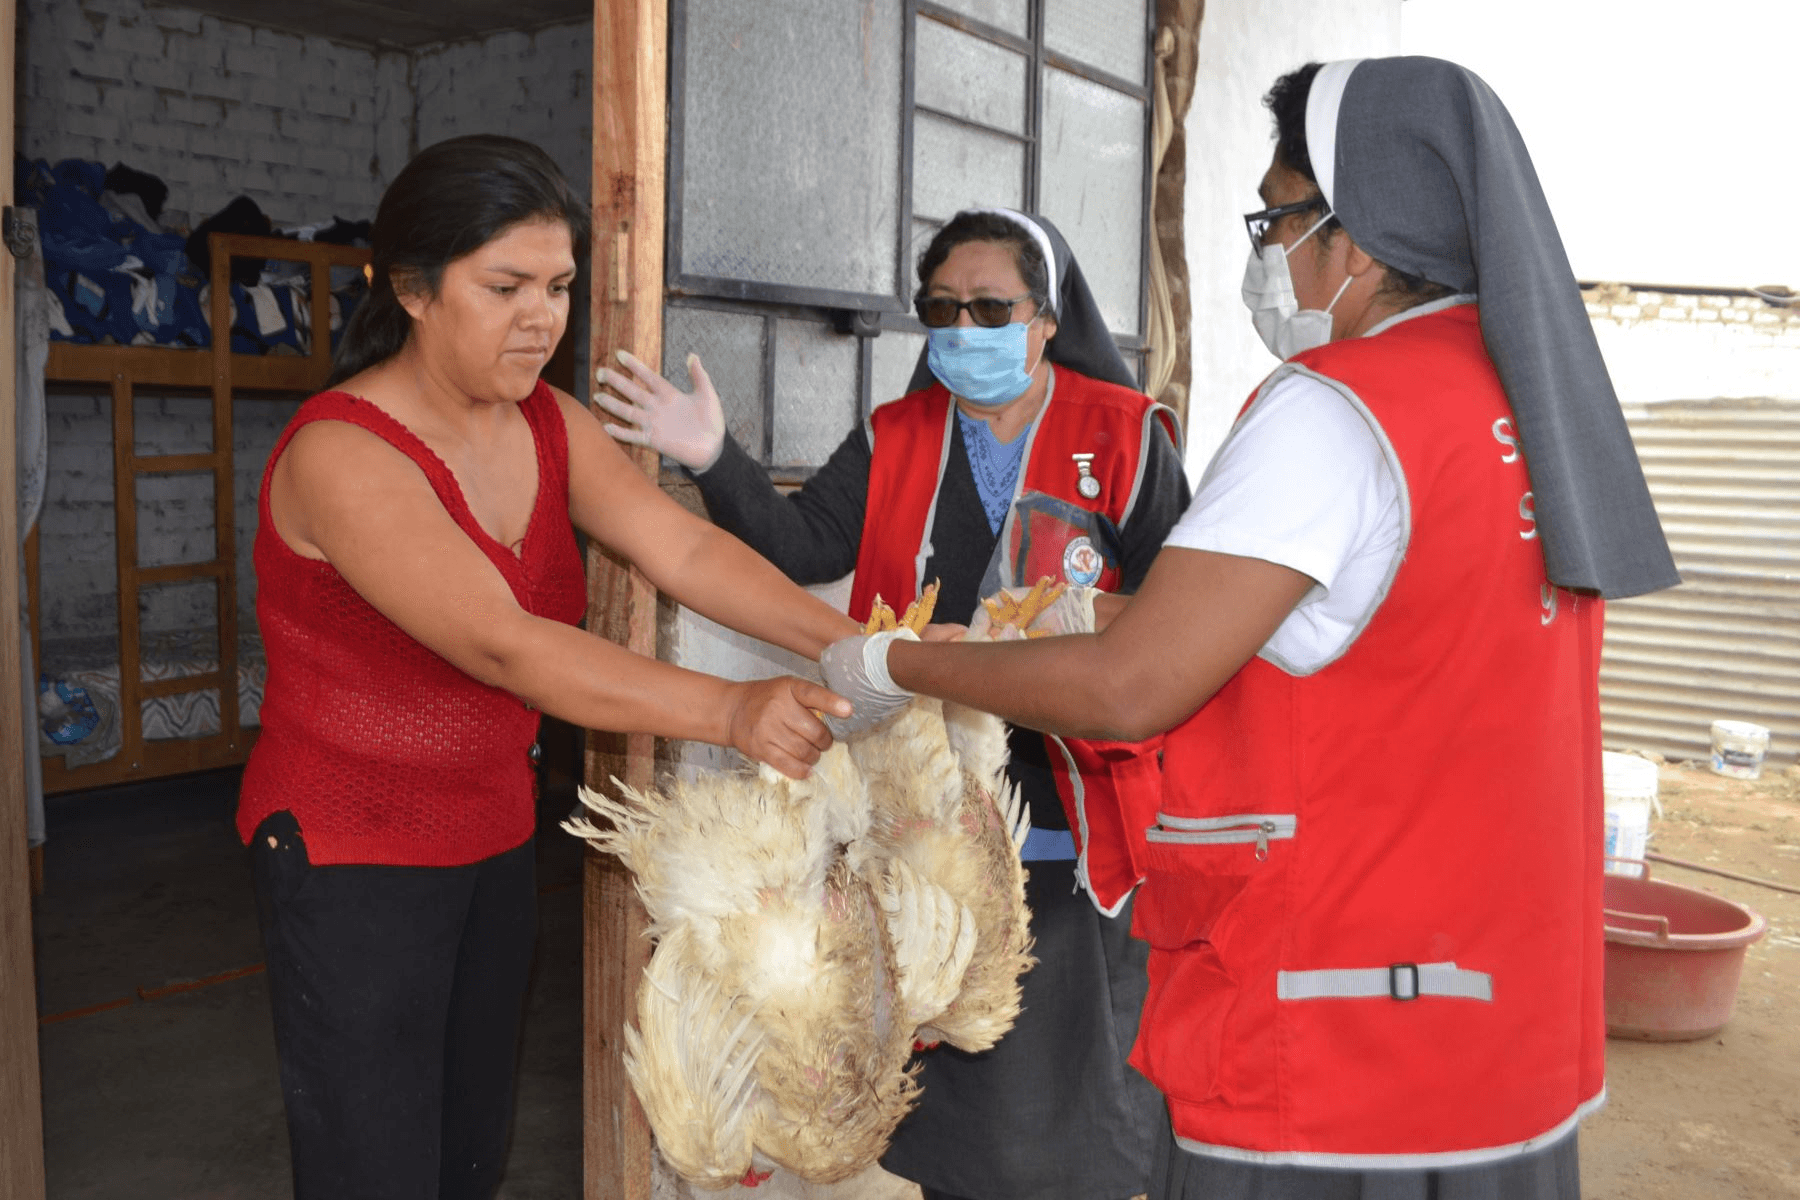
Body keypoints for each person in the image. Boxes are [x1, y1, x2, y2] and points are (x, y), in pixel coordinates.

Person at [819, 59, 1680, 1200]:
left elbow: (1132, 688)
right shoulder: (1514, 396)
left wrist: (898, 660)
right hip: (1493, 1025)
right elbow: (1350, 629)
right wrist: (1088, 614)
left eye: (1275, 218)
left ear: (1353, 239)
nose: (1265, 251)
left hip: (1333, 1031)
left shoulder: (1336, 408)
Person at [236, 134, 862, 1200]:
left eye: (560, 287)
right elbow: (505, 643)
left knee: (469, 1154)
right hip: (349, 856)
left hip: (492, 838)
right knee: (372, 1169)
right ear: (413, 290)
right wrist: (731, 710)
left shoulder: (549, 424)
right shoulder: (342, 452)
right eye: (505, 287)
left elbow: (684, 549)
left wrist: (851, 644)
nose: (541, 317)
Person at [595, 208, 1189, 1200]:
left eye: (990, 308)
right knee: (946, 1067)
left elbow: (1183, 608)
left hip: (1075, 802)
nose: (963, 327)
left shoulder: (1124, 433)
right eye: (941, 308)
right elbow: (803, 548)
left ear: (1047, 319)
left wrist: (1080, 627)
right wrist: (712, 455)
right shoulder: (895, 433)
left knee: (1062, 1094)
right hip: (928, 802)